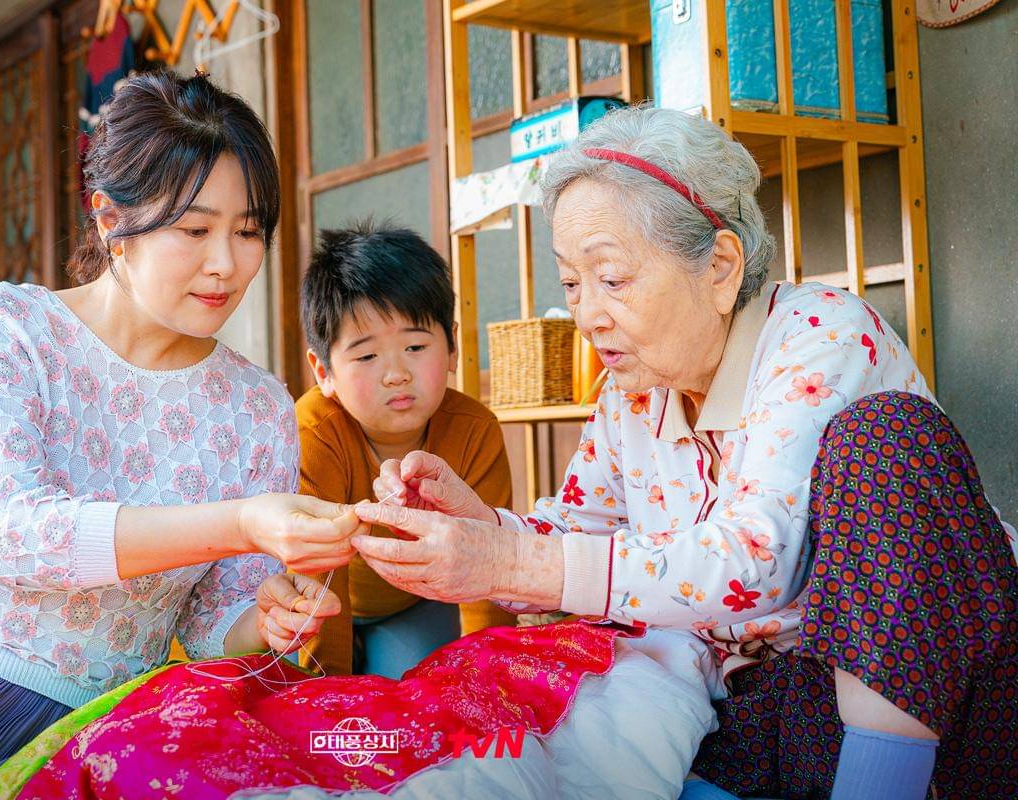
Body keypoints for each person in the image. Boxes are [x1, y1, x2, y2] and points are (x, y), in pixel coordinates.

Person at [361, 106, 1018, 800]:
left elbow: (755, 560)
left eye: (611, 278)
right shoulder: (634, 388)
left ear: (722, 266)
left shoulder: (821, 333)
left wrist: (519, 561)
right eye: (572, 284)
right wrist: (484, 531)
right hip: (775, 704)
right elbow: (581, 535)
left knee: (889, 438)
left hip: (947, 698)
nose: (588, 314)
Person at [0, 69, 354, 800]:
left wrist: (265, 618)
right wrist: (239, 522)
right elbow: (14, 536)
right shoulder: (0, 328)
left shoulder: (258, 407)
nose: (226, 263)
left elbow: (207, 630)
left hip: (78, 735)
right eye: (194, 230)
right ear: (108, 220)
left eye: (249, 230)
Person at [294, 222, 516, 678]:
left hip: (413, 603)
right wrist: (325, 687)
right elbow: (315, 576)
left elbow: (486, 569)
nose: (396, 374)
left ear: (452, 347)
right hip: (321, 601)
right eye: (366, 356)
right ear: (324, 370)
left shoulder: (476, 431)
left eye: (415, 346)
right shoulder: (313, 430)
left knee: (428, 685)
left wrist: (489, 685)